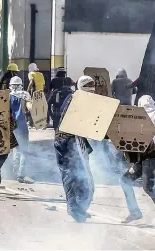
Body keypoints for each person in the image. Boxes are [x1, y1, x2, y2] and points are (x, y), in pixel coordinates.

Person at [119, 97, 155, 226]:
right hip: (142, 154)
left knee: (148, 186)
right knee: (125, 180)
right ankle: (135, 212)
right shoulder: (136, 115)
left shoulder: (153, 111)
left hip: (152, 154)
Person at [54, 75, 96, 223]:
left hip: (65, 139)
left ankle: (77, 208)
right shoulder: (78, 100)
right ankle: (75, 208)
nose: (92, 90)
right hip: (70, 140)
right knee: (80, 177)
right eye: (89, 87)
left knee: (73, 175)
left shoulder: (73, 98)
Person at [9, 76, 34, 184]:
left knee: (15, 148)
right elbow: (30, 108)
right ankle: (21, 173)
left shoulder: (8, 96)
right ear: (21, 85)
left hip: (11, 126)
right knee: (24, 150)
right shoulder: (25, 95)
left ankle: (15, 172)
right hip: (22, 126)